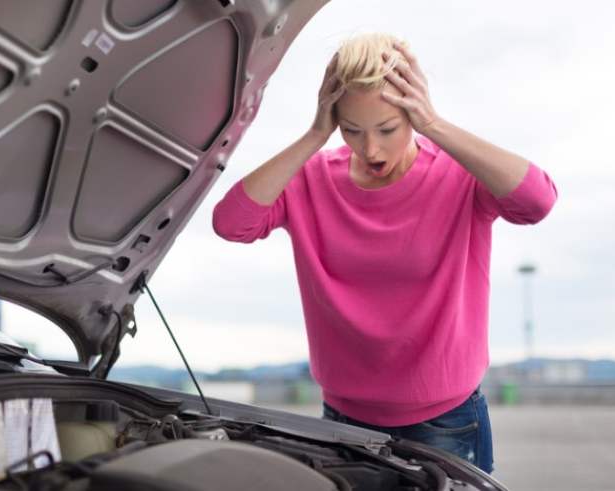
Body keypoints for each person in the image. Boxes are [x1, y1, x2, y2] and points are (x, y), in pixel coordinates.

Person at [211, 33, 557, 474]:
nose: (370, 148)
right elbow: (231, 224)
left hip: (445, 423)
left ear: (414, 112)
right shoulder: (310, 180)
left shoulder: (460, 176)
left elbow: (537, 202)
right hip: (343, 421)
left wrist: (435, 125)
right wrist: (315, 135)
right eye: (352, 130)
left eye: (387, 128)